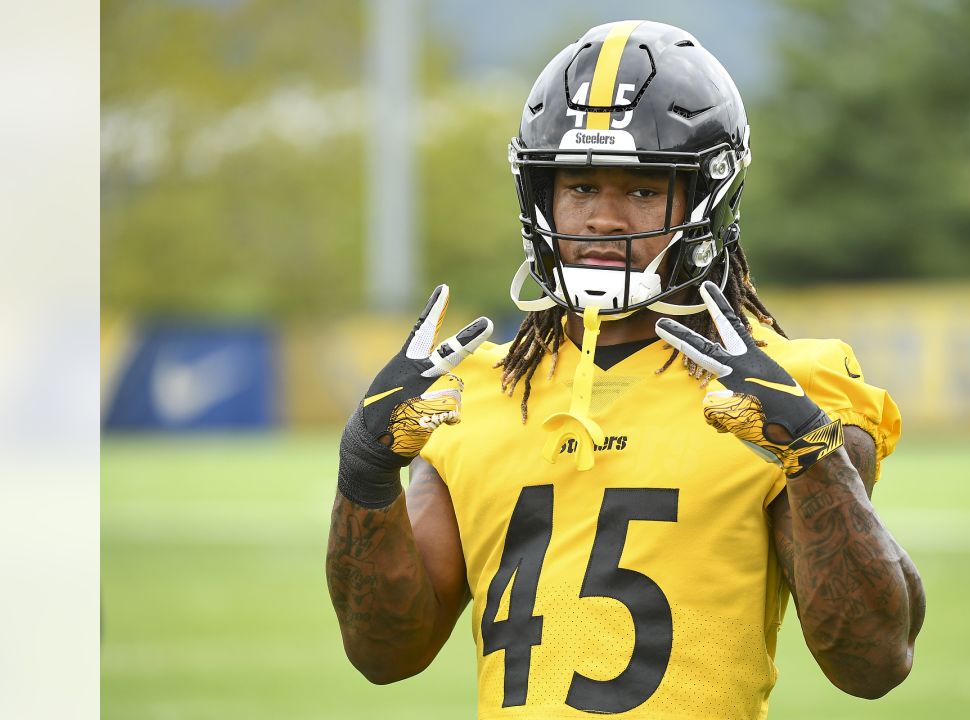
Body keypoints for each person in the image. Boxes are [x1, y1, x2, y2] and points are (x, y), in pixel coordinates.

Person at [326, 20, 924, 718]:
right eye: (580, 188)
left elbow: (873, 662)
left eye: (642, 191)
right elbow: (385, 654)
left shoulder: (787, 384)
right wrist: (364, 475)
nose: (604, 220)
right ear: (540, 196)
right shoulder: (475, 394)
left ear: (709, 196)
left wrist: (816, 456)